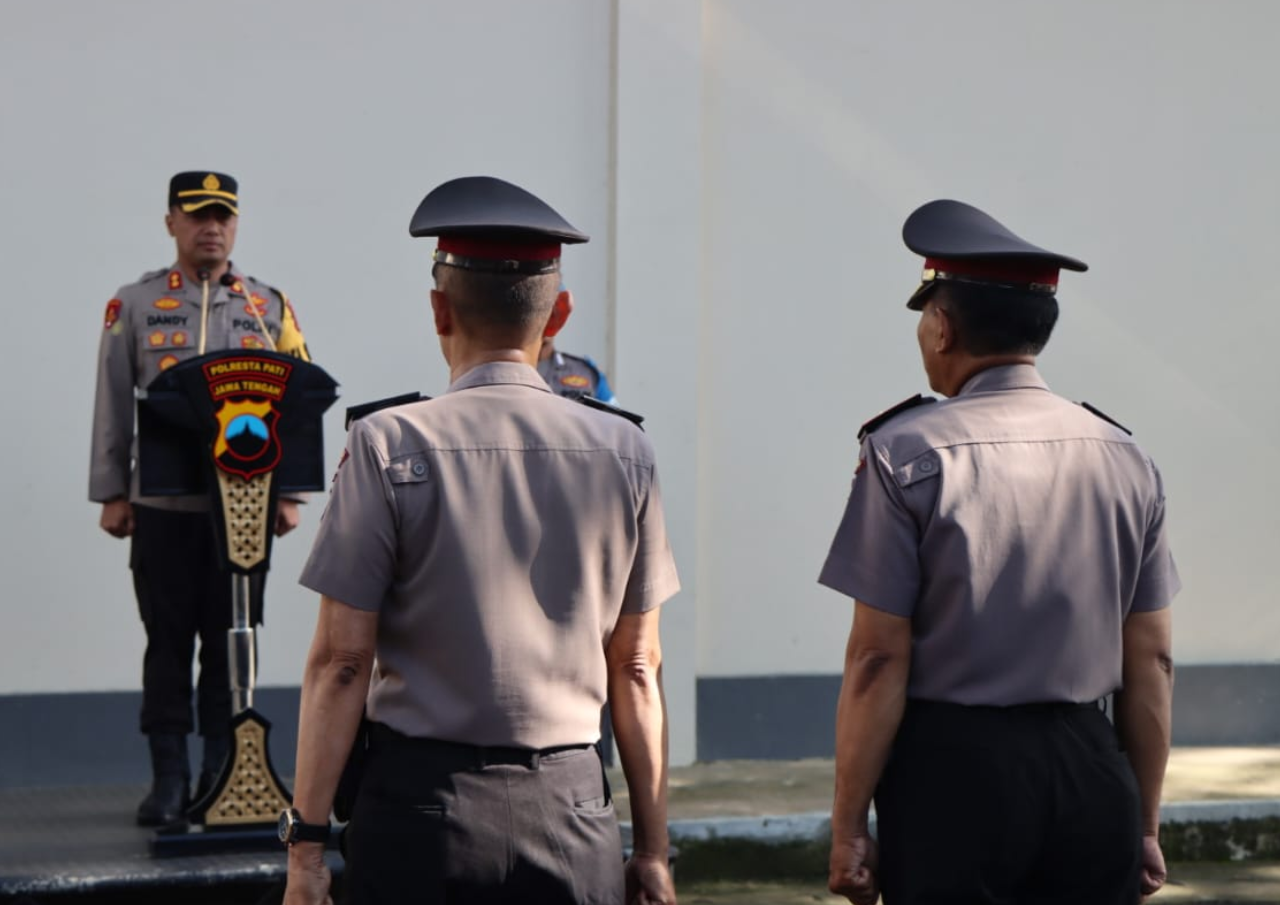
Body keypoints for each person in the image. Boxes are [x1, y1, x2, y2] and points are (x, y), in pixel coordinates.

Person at [282, 175, 680, 905]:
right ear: (557, 312)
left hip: (419, 810)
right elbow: (637, 669)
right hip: (572, 809)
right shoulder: (626, 451)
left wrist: (306, 850)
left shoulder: (385, 444)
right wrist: (653, 851)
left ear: (439, 308)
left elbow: (342, 662)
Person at [818, 199, 1179, 905]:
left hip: (952, 775)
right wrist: (1142, 822)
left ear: (942, 326)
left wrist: (848, 826)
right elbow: (1153, 659)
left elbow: (877, 658)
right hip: (1090, 764)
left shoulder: (903, 452)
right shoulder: (1125, 456)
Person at [89, 171, 312, 826]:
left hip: (244, 512)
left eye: (223, 216)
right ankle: (170, 776)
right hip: (162, 509)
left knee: (230, 641)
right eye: (197, 215)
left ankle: (222, 770)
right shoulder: (134, 304)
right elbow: (110, 400)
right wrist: (110, 490)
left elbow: (297, 401)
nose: (210, 227)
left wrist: (290, 490)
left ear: (236, 225)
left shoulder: (268, 307)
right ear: (171, 223)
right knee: (166, 640)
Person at [537, 282, 618, 403]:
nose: (548, 317)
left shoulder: (586, 372)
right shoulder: (502, 370)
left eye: (554, 310)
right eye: (540, 310)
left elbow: (615, 419)